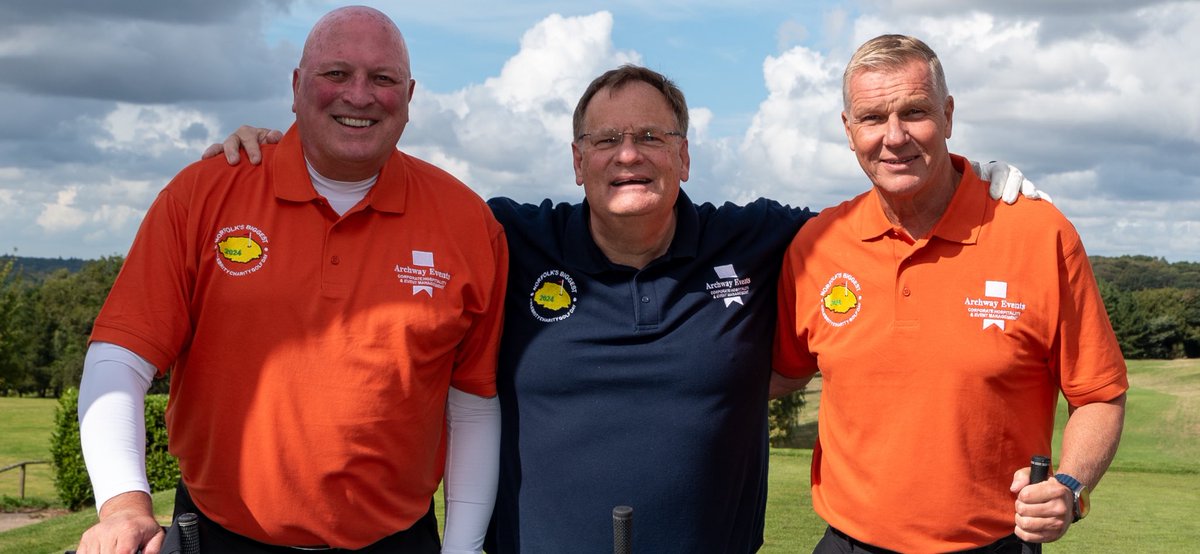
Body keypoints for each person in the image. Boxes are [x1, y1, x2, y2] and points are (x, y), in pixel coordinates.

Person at [211, 65, 1040, 552]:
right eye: (605, 141)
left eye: (650, 137)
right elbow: (377, 183)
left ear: (685, 152)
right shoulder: (505, 235)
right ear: (576, 162)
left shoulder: (759, 242)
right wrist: (286, 149)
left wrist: (972, 180)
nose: (628, 156)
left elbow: (887, 208)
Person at [75, 7, 507, 554]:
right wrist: (124, 506)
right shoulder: (205, 192)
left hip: (396, 542)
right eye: (335, 73)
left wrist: (463, 549)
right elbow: (119, 356)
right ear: (297, 86)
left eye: (383, 78)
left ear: (410, 95)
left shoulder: (467, 221)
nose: (358, 95)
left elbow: (471, 405)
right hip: (217, 538)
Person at [771, 34, 1127, 553]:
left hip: (995, 545)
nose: (894, 137)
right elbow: (775, 374)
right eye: (872, 118)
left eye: (915, 112)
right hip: (848, 544)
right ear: (848, 131)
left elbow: (1098, 393)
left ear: (949, 115)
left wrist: (1070, 489)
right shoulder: (817, 245)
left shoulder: (1037, 232)